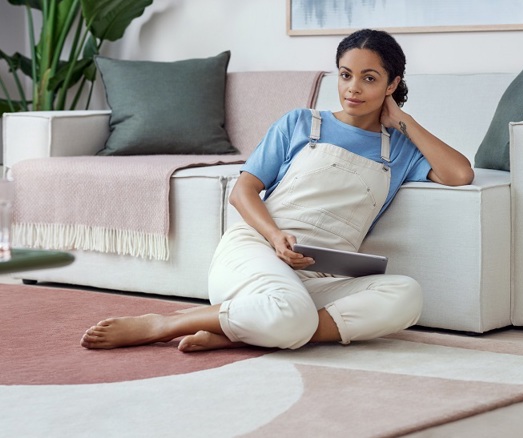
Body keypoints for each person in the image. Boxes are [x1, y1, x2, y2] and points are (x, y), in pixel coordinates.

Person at [81, 29, 474, 352]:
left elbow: (460, 173)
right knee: (290, 315)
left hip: (320, 276)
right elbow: (243, 191)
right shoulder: (302, 123)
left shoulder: (400, 149)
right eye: (345, 74)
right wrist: (275, 236)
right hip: (257, 251)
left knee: (406, 294)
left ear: (393, 84)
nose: (353, 88)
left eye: (369, 78)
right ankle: (165, 323)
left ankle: (239, 331)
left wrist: (402, 120)